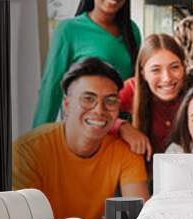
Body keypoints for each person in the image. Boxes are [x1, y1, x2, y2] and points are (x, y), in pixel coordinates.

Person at [13, 58, 149, 219]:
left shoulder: (125, 151)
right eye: (88, 98)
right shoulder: (27, 151)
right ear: (67, 105)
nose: (99, 110)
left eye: (110, 101)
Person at [33, 0, 141, 128]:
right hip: (87, 127)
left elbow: (136, 85)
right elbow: (51, 88)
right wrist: (37, 139)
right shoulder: (69, 30)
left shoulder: (132, 30)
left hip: (123, 131)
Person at [116, 34, 193, 162]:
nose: (167, 78)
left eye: (174, 67)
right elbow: (89, 111)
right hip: (144, 172)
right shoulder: (132, 88)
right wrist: (121, 126)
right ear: (143, 73)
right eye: (155, 70)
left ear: (183, 67)